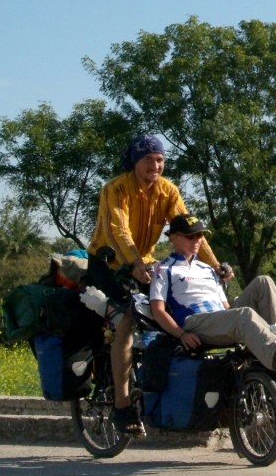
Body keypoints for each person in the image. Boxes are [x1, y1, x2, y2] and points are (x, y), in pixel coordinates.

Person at [85, 134, 232, 437]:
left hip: (145, 263)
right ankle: (123, 405)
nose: (156, 165)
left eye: (160, 160)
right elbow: (118, 230)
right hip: (109, 263)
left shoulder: (168, 191)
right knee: (129, 318)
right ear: (135, 161)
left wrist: (216, 266)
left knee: (169, 312)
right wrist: (135, 263)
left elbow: (190, 232)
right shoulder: (115, 188)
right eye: (149, 159)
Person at [149, 213, 276, 375]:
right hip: (195, 321)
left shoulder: (207, 269)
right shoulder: (163, 269)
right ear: (173, 237)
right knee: (245, 315)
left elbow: (226, 307)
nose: (197, 240)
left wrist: (236, 318)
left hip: (219, 317)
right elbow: (158, 310)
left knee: (264, 281)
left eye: (200, 235)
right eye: (190, 236)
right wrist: (181, 334)